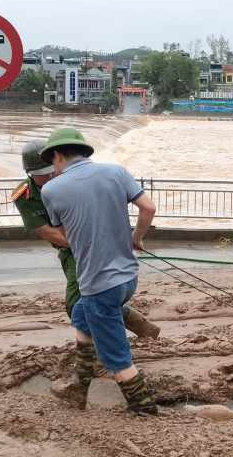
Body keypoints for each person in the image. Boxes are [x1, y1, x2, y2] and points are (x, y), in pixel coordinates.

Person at [38, 127, 159, 416]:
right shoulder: (117, 171)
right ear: (83, 152)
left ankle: (143, 406)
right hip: (128, 278)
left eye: (52, 161)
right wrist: (136, 238)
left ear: (56, 156)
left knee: (114, 352)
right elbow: (149, 208)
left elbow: (69, 235)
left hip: (97, 284)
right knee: (81, 314)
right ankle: (78, 389)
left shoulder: (51, 190)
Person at [12, 138, 160, 339]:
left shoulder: (77, 180)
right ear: (29, 174)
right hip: (72, 250)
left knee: (79, 306)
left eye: (51, 171)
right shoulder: (24, 195)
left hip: (95, 247)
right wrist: (88, 242)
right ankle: (129, 333)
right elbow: (49, 232)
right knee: (92, 301)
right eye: (41, 175)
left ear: (57, 161)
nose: (49, 177)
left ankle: (96, 352)